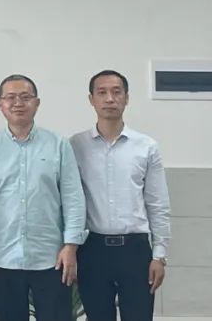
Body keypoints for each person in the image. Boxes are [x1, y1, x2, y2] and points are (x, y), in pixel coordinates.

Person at [0, 74, 86, 321]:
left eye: (25, 97)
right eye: (10, 97)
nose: (18, 103)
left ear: (37, 103)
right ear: (0, 104)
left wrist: (70, 247)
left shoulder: (58, 145)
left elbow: (73, 199)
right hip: (2, 258)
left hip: (52, 258)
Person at [71, 70, 170, 321]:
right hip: (92, 250)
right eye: (102, 92)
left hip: (135, 250)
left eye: (116, 92)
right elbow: (69, 202)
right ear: (91, 99)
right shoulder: (75, 146)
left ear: (127, 98)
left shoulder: (146, 146)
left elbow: (157, 204)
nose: (109, 98)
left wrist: (159, 255)